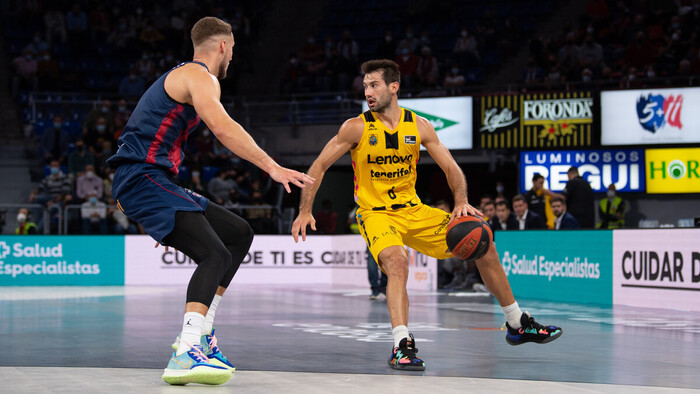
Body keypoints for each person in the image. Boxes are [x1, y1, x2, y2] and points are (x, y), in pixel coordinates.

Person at [292, 59, 561, 372]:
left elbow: (451, 167)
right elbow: (319, 166)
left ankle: (517, 323)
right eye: (365, 86)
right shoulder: (356, 127)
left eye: (374, 85)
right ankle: (401, 343)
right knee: (397, 261)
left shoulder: (419, 126)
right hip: (376, 213)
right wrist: (304, 209)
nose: (368, 91)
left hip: (414, 210)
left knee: (483, 241)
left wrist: (461, 201)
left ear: (394, 87)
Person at [106, 17, 314, 386]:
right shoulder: (199, 76)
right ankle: (186, 351)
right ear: (222, 45)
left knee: (238, 234)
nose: (232, 55)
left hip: (152, 180)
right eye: (232, 49)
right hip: (141, 178)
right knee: (214, 254)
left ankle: (201, 334)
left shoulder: (183, 77)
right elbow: (222, 126)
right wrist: (271, 166)